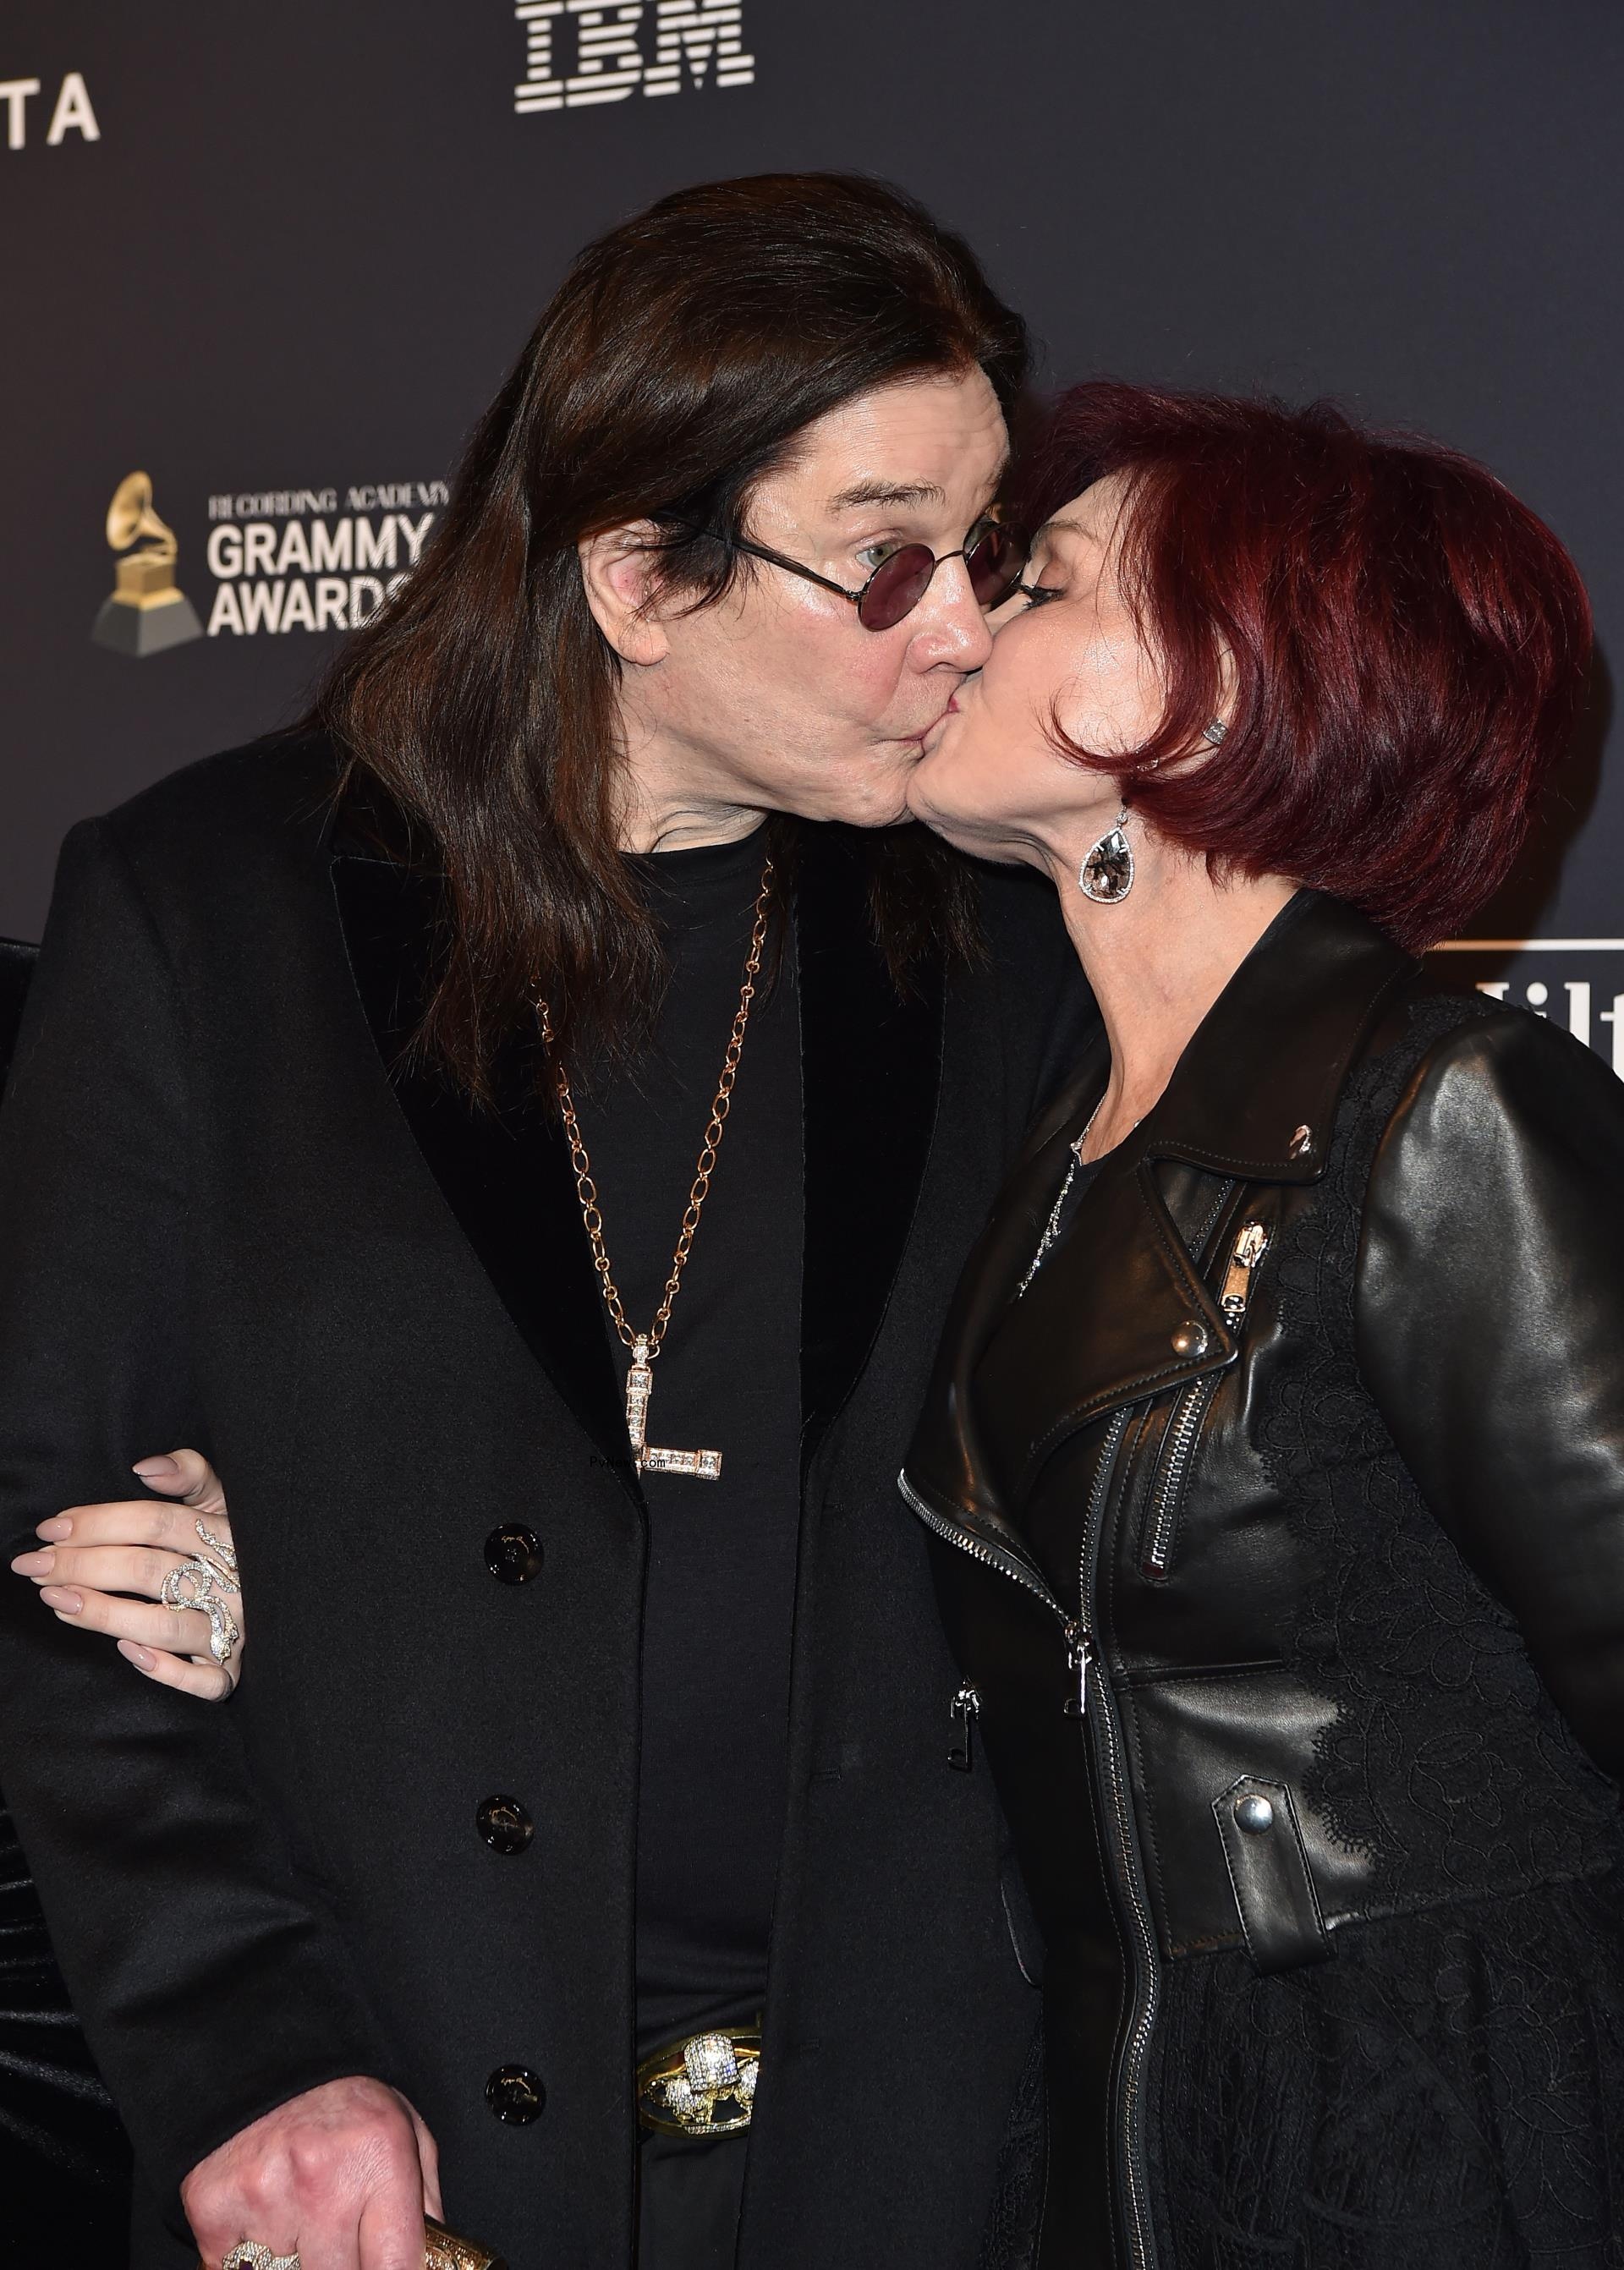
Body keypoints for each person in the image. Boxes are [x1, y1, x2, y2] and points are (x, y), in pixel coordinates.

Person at [0, 175, 1094, 2270]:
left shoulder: (993, 956)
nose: (961, 627)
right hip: (397, 2155)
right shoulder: (212, 914)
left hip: (906, 2159)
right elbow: (60, 1568)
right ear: (634, 574)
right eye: (884, 564)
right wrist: (247, 2052)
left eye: (982, 552)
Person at [898, 379, 1624, 2267]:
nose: (958, 619)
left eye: (1042, 580)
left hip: (1432, 2140)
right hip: (1126, 2129)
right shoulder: (1053, 1133)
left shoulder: (1441, 1116)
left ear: (1218, 690)